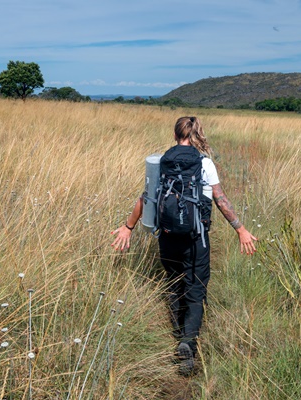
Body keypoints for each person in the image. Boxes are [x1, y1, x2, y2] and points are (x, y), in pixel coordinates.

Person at [110, 116, 257, 375]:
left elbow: (146, 198)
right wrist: (241, 230)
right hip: (195, 237)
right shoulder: (204, 163)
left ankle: (178, 333)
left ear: (176, 133)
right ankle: (187, 342)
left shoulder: (161, 161)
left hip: (167, 235)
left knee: (174, 282)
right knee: (196, 289)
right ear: (197, 134)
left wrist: (128, 228)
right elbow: (221, 200)